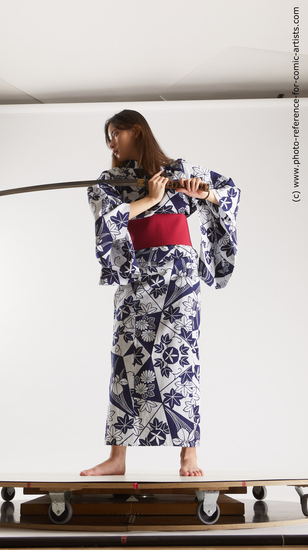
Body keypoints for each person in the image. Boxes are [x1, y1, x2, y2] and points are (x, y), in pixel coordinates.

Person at [82, 110, 240, 477]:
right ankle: (117, 457)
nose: (111, 142)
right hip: (137, 272)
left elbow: (229, 193)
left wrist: (205, 194)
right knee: (126, 356)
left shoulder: (179, 169)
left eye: (114, 133)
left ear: (135, 130)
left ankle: (189, 454)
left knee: (181, 356)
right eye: (108, 137)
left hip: (180, 277)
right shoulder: (110, 181)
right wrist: (151, 199)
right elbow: (108, 222)